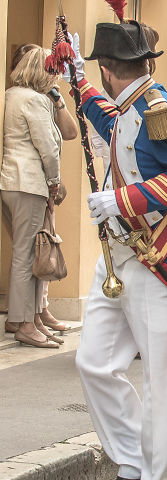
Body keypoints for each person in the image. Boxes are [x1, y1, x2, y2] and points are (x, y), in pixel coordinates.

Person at [71, 19, 167, 480]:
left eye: (95, 69)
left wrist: (123, 198)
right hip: (121, 254)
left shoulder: (159, 109)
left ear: (109, 68)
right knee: (93, 362)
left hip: (160, 258)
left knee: (159, 380)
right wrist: (76, 78)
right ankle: (133, 460)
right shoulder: (128, 106)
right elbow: (111, 125)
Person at [1, 47, 71, 348]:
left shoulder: (12, 94)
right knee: (28, 255)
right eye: (52, 68)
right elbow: (48, 147)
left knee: (26, 251)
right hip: (29, 182)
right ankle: (25, 323)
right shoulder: (35, 99)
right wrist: (55, 182)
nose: (55, 74)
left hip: (11, 181)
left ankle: (29, 317)